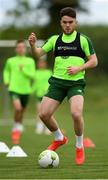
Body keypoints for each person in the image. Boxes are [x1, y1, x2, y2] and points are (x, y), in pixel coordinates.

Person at [28, 7, 98, 165]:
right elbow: (38, 54)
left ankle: (79, 146)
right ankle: (59, 138)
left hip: (76, 84)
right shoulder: (54, 40)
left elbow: (94, 61)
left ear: (76, 23)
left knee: (75, 113)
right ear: (61, 23)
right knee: (43, 114)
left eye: (71, 22)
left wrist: (79, 68)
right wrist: (32, 45)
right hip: (57, 83)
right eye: (65, 22)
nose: (67, 25)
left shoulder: (83, 40)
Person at [3, 40, 36, 144]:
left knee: (22, 110)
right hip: (13, 88)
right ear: (15, 49)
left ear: (25, 49)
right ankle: (16, 126)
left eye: (22, 47)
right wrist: (6, 80)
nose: (21, 49)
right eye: (19, 47)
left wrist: (24, 70)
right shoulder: (10, 61)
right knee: (18, 108)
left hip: (26, 90)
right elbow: (6, 71)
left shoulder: (30, 61)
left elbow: (32, 75)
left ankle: (19, 124)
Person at [31, 58, 52, 134]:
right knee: (39, 112)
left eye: (42, 63)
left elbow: (51, 83)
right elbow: (35, 84)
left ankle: (48, 128)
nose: (41, 65)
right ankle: (39, 127)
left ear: (45, 64)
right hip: (39, 95)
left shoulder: (49, 72)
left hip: (48, 95)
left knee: (48, 112)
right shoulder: (36, 73)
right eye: (40, 63)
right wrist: (30, 91)